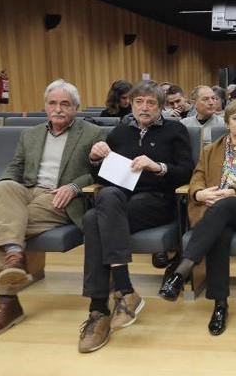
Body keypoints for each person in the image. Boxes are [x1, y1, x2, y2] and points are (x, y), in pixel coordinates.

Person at [0, 79, 104, 340]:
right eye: (52, 103)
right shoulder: (31, 134)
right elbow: (15, 167)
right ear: (45, 106)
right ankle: (14, 254)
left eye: (65, 104)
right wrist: (4, 182)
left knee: (1, 226)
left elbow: (99, 173)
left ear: (76, 107)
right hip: (29, 190)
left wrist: (73, 186)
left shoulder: (92, 133)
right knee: (3, 189)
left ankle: (5, 301)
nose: (58, 109)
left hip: (61, 198)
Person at [78, 81, 194, 353]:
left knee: (94, 218)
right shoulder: (118, 133)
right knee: (102, 203)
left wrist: (158, 167)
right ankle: (120, 295)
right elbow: (101, 177)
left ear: (160, 106)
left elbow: (186, 172)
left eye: (151, 103)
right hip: (119, 201)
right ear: (130, 104)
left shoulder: (175, 130)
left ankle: (101, 307)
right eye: (139, 102)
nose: (144, 107)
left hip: (158, 200)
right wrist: (95, 159)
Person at [158, 99, 236, 335]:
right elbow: (198, 177)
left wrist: (232, 191)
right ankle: (220, 304)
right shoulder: (210, 150)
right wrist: (200, 193)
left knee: (224, 208)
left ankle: (181, 270)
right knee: (219, 232)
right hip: (212, 209)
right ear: (227, 122)